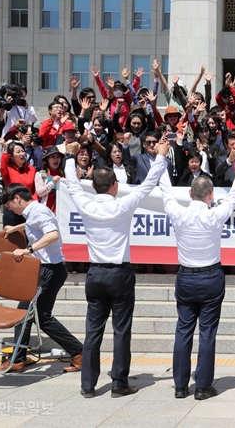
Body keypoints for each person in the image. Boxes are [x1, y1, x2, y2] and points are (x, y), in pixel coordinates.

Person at [63, 139, 169, 398]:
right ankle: (119, 383)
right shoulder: (123, 204)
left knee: (93, 331)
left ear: (94, 186)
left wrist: (69, 156)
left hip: (96, 273)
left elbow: (72, 183)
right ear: (115, 186)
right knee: (121, 330)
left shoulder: (85, 203)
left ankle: (87, 385)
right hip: (119, 274)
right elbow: (147, 184)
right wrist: (161, 156)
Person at [158, 146, 235, 400]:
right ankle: (202, 386)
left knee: (183, 330)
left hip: (186, 277)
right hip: (210, 277)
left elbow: (165, 191)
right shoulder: (214, 215)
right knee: (207, 332)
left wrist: (161, 158)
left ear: (189, 193)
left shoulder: (179, 213)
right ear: (210, 195)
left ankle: (179, 385)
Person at [0, 184, 83, 373]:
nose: (9, 208)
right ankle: (17, 359)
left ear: (17, 198)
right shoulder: (33, 212)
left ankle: (80, 352)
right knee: (24, 314)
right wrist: (16, 227)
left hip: (50, 270)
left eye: (9, 205)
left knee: (42, 316)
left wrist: (28, 249)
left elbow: (53, 234)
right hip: (42, 270)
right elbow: (34, 224)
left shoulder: (39, 211)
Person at [0, 141, 38, 227]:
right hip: (12, 209)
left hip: (28, 209)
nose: (22, 154)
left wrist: (34, 203)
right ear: (12, 157)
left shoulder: (31, 169)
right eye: (18, 152)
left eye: (23, 151)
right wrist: (6, 150)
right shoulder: (7, 170)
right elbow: (3, 167)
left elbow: (34, 190)